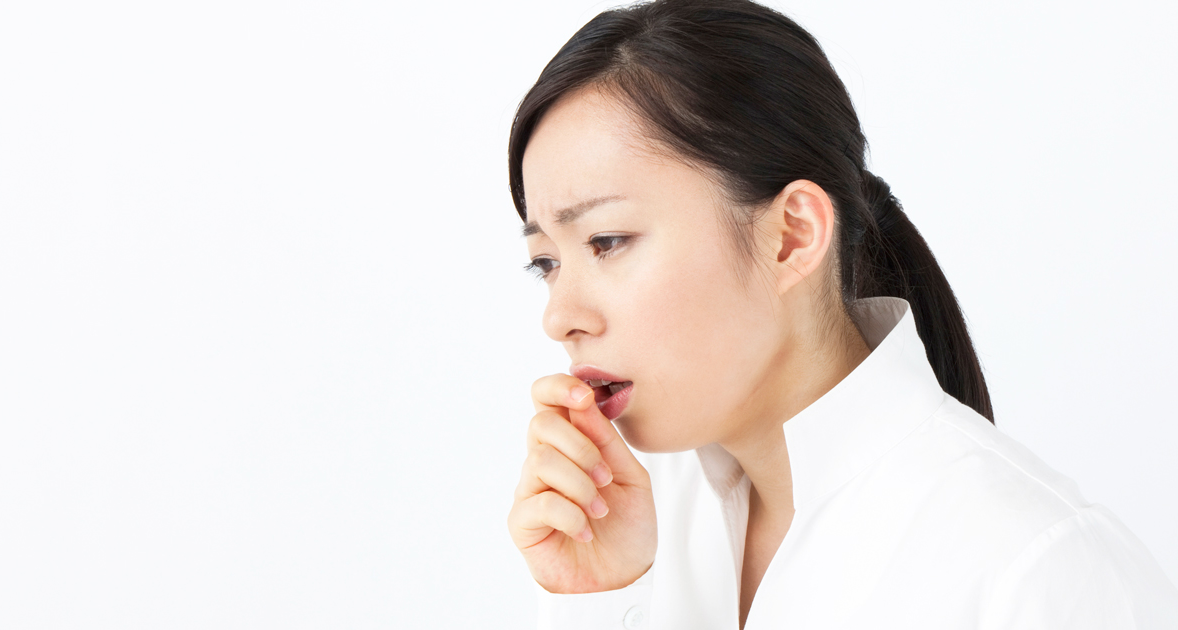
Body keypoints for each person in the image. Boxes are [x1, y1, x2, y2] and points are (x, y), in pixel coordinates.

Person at [503, 1, 1178, 628]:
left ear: (792, 235)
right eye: (547, 263)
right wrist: (604, 603)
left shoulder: (1035, 571)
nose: (559, 317)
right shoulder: (632, 529)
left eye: (607, 242)